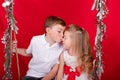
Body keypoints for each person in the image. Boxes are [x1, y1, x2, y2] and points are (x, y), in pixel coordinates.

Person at [12, 16, 66, 80]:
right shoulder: (35, 40)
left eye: (64, 32)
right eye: (59, 31)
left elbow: (55, 68)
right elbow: (28, 53)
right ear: (48, 30)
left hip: (48, 76)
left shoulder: (62, 46)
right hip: (32, 75)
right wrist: (13, 49)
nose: (62, 35)